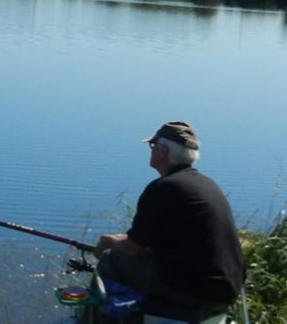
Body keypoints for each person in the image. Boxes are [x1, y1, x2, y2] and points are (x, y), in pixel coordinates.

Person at [94, 120, 245, 311]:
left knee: (111, 258)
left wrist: (110, 241)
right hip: (229, 289)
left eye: (153, 145)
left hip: (200, 292)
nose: (151, 150)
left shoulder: (162, 188)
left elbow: (132, 248)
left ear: (163, 151)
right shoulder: (207, 184)